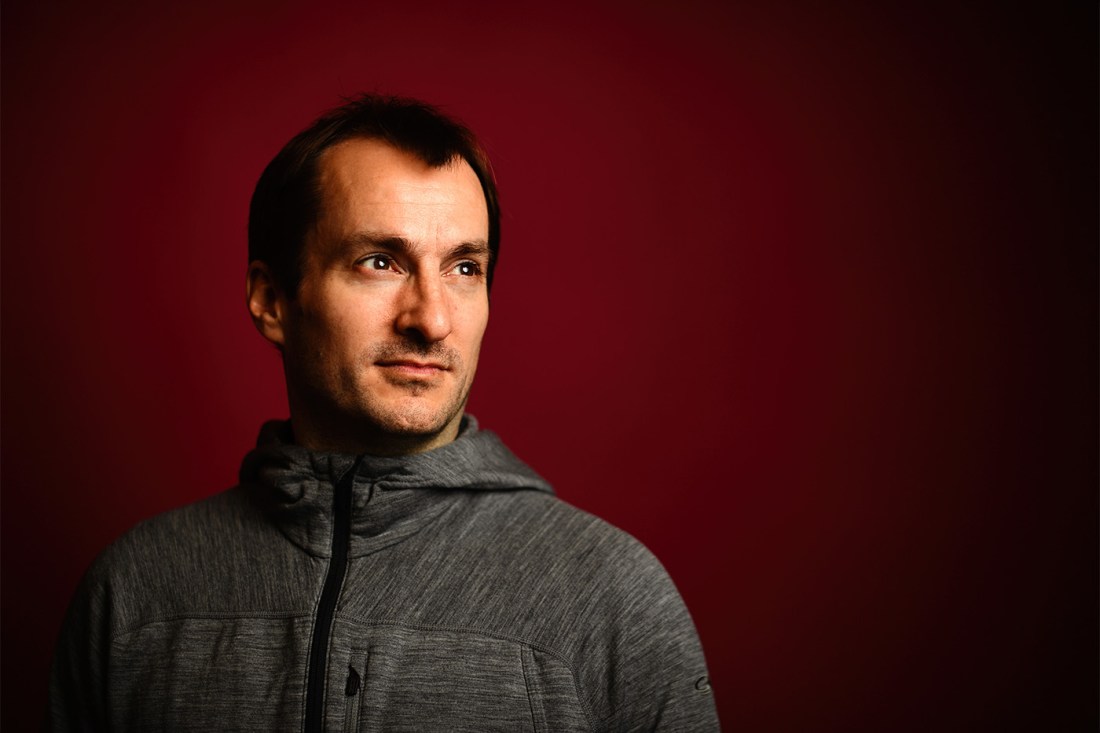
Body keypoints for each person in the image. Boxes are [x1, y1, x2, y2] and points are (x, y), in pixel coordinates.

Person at [47, 94, 720, 731]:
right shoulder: (134, 595)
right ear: (272, 298)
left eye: (464, 268)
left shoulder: (611, 595)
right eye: (380, 261)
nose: (431, 318)